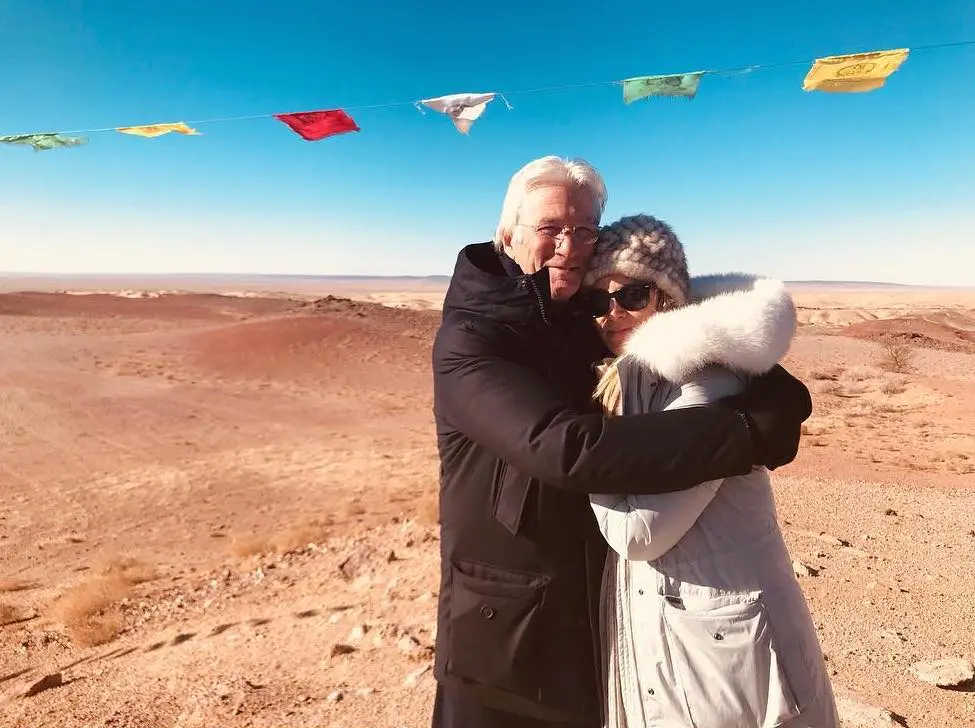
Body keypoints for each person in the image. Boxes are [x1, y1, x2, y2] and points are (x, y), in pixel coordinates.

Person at [430, 156, 813, 728]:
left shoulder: (568, 316)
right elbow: (572, 448)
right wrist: (745, 430)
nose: (569, 245)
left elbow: (681, 324)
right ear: (507, 234)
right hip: (501, 632)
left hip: (586, 619)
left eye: (583, 230)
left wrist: (773, 388)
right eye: (550, 228)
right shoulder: (475, 339)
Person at [582, 214, 838, 728]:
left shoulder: (703, 381)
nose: (612, 315)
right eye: (596, 301)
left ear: (668, 298)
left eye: (632, 296)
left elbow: (639, 531)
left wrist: (582, 448)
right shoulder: (628, 381)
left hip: (727, 643)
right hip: (678, 632)